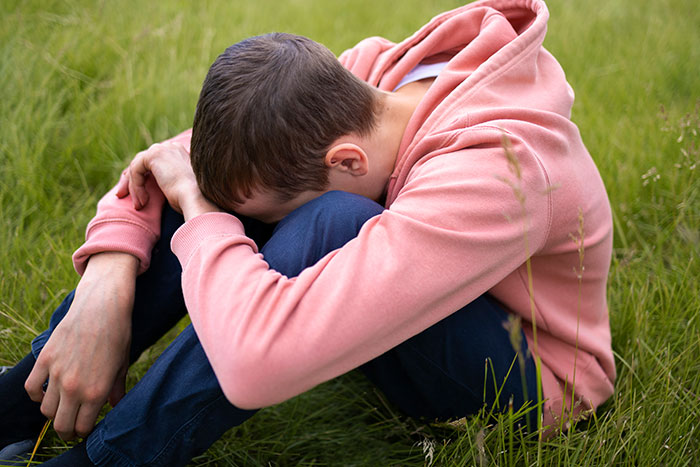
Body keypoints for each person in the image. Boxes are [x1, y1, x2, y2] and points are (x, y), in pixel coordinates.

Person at [0, 0, 615, 464]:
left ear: (347, 161)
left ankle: (105, 458)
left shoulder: (498, 171)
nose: (270, 231)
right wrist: (104, 287)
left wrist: (206, 217)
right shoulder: (374, 80)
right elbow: (173, 164)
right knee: (236, 191)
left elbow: (255, 365)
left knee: (326, 220)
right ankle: (22, 404)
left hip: (529, 380)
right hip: (416, 295)